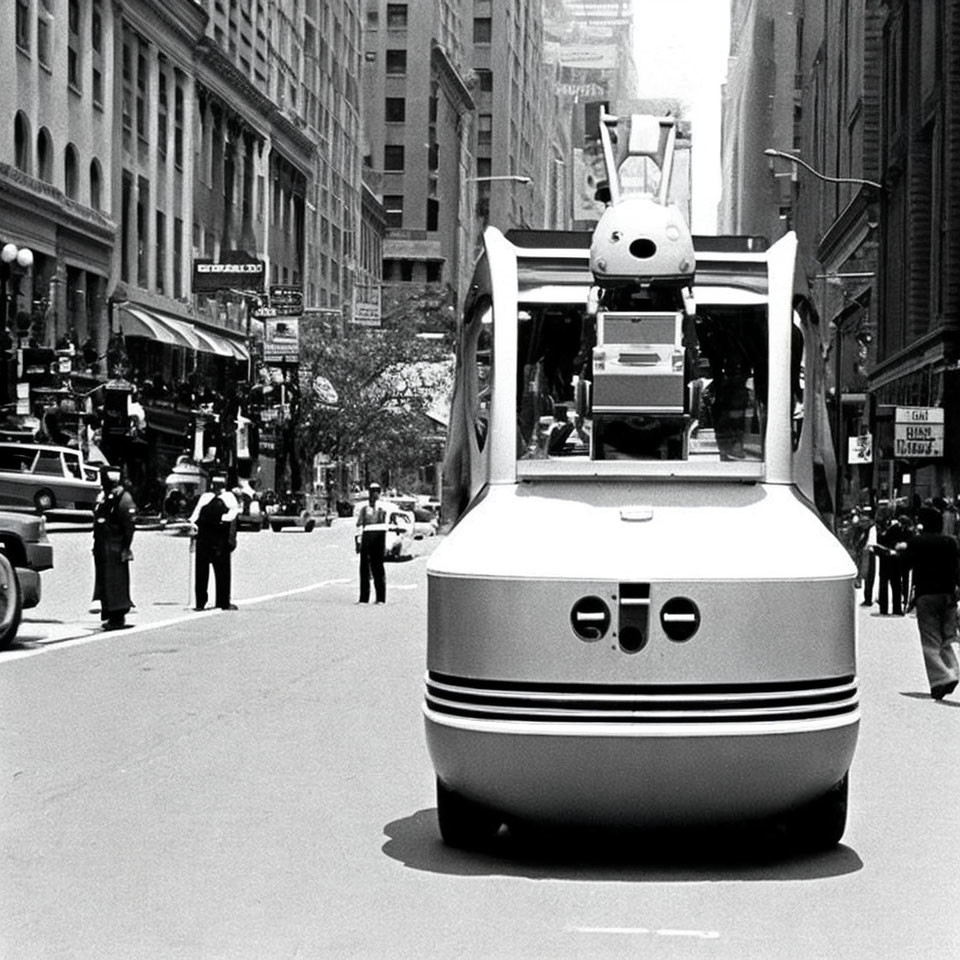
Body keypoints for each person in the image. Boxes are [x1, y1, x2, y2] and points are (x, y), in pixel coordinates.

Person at [899, 506, 960, 700]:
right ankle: (952, 672)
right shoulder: (950, 543)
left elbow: (904, 564)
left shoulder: (918, 542)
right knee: (946, 638)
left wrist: (899, 551)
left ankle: (942, 678)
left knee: (930, 640)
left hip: (927, 595)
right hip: (948, 594)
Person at [92, 465, 136, 630]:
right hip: (102, 545)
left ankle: (118, 615)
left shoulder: (123, 498)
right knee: (105, 581)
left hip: (115, 546)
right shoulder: (105, 496)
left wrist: (126, 547)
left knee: (115, 581)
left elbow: (129, 526)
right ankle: (109, 612)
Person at [189, 472, 239, 611]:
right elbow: (232, 521)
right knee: (222, 572)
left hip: (204, 540)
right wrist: (232, 541)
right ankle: (222, 601)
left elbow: (194, 520)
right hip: (219, 541)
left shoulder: (205, 498)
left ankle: (200, 602)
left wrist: (193, 537)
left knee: (202, 573)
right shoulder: (229, 498)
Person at [355, 482, 387, 604]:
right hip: (367, 536)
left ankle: (380, 597)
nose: (374, 494)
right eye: (372, 491)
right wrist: (358, 541)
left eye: (377, 491)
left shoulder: (382, 508)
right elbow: (359, 525)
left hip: (379, 537)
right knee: (364, 568)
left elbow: (385, 524)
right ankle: (364, 597)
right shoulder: (364, 509)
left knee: (378, 567)